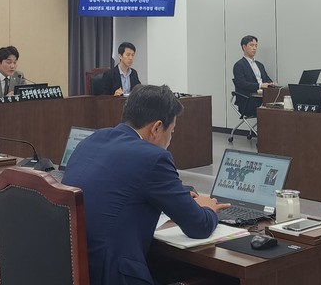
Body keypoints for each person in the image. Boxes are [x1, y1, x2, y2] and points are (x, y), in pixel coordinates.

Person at [63, 84, 227, 285]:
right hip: (116, 276)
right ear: (157, 128)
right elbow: (199, 226)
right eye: (172, 132)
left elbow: (119, 186)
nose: (169, 141)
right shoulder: (153, 157)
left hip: (79, 272)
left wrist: (177, 197)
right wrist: (208, 209)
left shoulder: (92, 140)